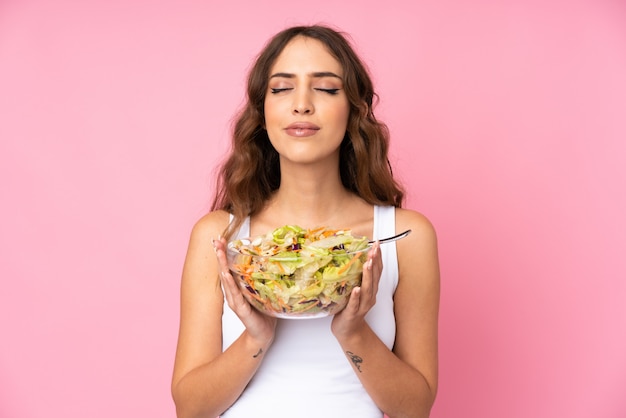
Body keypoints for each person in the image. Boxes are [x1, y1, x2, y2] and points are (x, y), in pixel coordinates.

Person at [171, 25, 440, 418]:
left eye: (326, 89)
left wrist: (353, 330)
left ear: (353, 111)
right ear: (262, 113)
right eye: (281, 89)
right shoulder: (220, 236)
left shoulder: (406, 236)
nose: (301, 105)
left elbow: (414, 409)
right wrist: (257, 335)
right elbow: (189, 408)